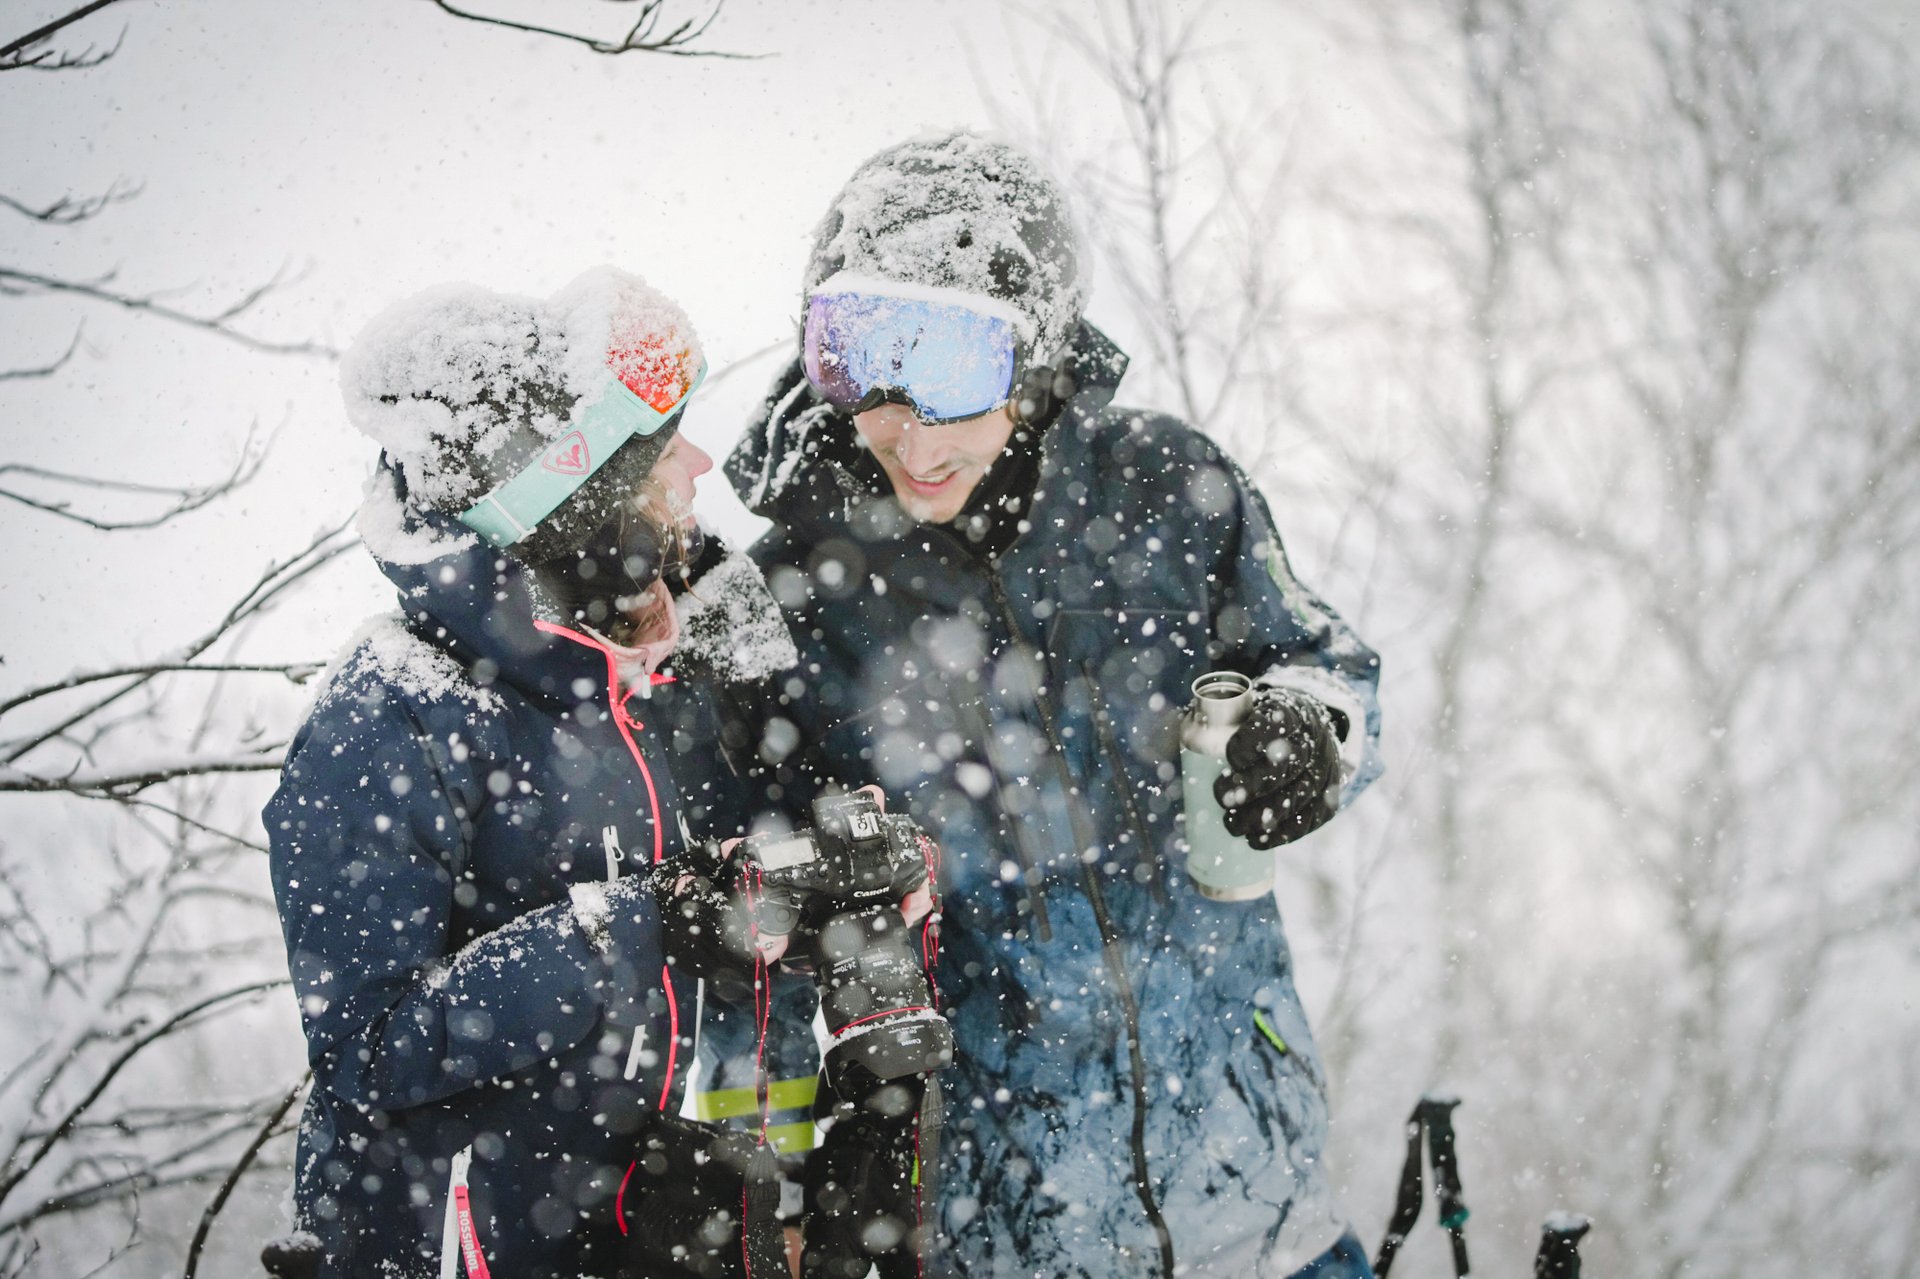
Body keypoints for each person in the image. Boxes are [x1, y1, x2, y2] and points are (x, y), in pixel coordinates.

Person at [724, 133, 1385, 1279]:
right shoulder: (793, 600)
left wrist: (1311, 730)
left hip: (1265, 1197)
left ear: (1034, 356)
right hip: (1004, 1226)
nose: (912, 432)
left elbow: (1326, 662)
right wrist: (777, 1185)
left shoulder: (1168, 488)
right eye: (862, 361)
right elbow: (756, 936)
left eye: (951, 367)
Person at [266, 267, 805, 1278]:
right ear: (578, 509)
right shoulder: (391, 719)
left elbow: (728, 900)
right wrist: (634, 927)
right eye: (659, 457)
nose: (698, 464)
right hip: (463, 1242)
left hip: (627, 1225)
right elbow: (370, 1048)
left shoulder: (640, 676)